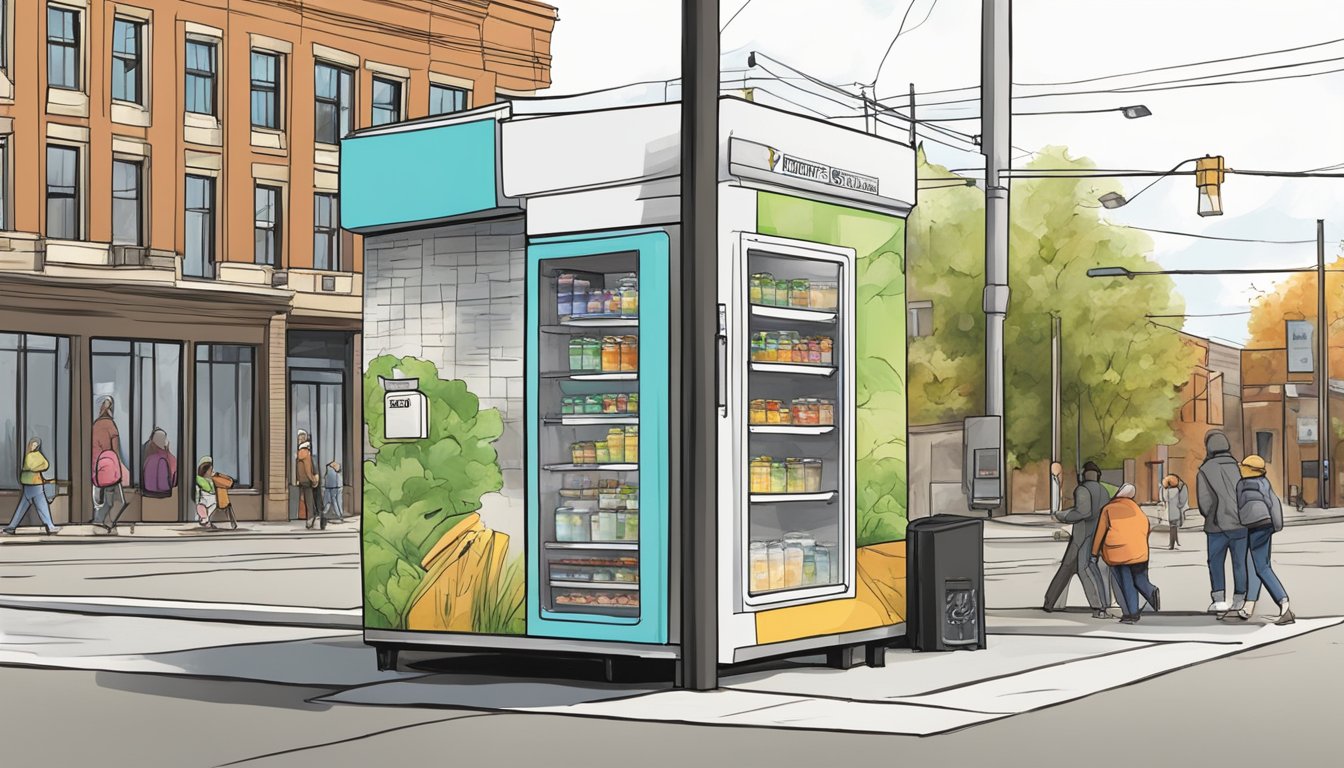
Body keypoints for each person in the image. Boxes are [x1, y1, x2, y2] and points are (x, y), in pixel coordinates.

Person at [1228, 455, 1295, 625]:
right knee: (1256, 564)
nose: (1240, 469)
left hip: (1254, 527)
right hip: (1265, 525)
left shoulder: (1241, 485)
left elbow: (1240, 508)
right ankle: (1249, 606)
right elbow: (1274, 504)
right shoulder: (1264, 483)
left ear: (1249, 470)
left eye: (1243, 467)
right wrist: (1276, 526)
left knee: (1262, 567)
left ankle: (1284, 604)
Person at [1043, 463, 1110, 617]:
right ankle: (1050, 602)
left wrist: (1062, 515)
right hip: (1096, 534)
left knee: (1082, 569)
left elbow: (1082, 512)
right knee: (1068, 567)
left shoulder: (1083, 489)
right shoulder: (1104, 491)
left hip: (1082, 535)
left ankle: (1098, 607)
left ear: (1083, 475)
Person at [1197, 430, 1249, 616]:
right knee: (1239, 563)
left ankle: (1219, 600)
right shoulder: (1239, 467)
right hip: (1241, 524)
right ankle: (1239, 600)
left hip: (1216, 526)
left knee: (1216, 563)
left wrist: (1212, 515)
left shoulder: (1205, 469)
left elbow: (1204, 502)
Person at [1092, 483, 1161, 624]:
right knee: (1139, 578)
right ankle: (1150, 591)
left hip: (1118, 552)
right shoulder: (1137, 509)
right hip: (1140, 552)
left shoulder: (1108, 509)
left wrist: (1094, 552)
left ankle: (1132, 614)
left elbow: (1100, 532)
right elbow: (1147, 528)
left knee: (1126, 583)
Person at [2, 438, 61, 535]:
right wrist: (38, 467)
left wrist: (36, 467)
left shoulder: (38, 455)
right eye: (32, 444)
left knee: (28, 507)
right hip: (31, 485)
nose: (33, 446)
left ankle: (11, 527)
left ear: (37, 446)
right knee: (41, 506)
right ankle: (50, 527)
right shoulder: (29, 456)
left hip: (36, 484)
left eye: (35, 445)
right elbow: (29, 466)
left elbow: (46, 465)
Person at [91, 396, 130, 533]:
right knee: (117, 500)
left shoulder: (94, 425)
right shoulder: (111, 426)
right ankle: (106, 523)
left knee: (100, 500)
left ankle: (100, 521)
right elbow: (116, 452)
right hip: (109, 468)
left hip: (95, 469)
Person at [295, 431, 325, 530]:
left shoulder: (303, 452)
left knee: (309, 500)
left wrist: (312, 479)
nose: (298, 440)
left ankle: (311, 519)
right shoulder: (306, 452)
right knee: (313, 499)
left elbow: (307, 469)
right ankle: (317, 518)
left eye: (299, 439)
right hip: (308, 480)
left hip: (307, 481)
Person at [140, 427, 178, 499]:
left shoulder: (148, 459)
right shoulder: (170, 459)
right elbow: (169, 484)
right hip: (165, 496)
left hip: (147, 496)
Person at [1161, 474, 1190, 550]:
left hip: (1169, 511)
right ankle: (1173, 543)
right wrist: (1180, 506)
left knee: (1172, 527)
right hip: (1177, 510)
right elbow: (1183, 499)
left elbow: (1163, 498)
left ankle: (1172, 543)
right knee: (1174, 527)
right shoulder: (1179, 488)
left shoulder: (1166, 490)